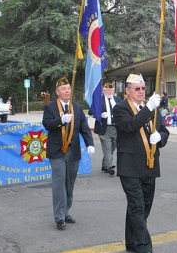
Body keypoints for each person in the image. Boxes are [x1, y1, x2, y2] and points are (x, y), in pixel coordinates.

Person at [112, 73, 169, 253]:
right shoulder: (120, 109)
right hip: (129, 166)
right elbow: (130, 126)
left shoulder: (150, 107)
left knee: (144, 206)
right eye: (137, 88)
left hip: (150, 164)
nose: (141, 92)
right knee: (136, 206)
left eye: (143, 88)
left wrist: (160, 137)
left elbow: (164, 130)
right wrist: (149, 109)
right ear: (127, 91)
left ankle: (132, 241)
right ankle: (144, 249)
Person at [42, 77, 95, 230]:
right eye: (64, 89)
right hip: (57, 151)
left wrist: (90, 144)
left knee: (69, 183)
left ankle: (66, 212)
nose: (67, 91)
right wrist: (60, 120)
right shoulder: (50, 107)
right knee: (59, 183)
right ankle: (59, 217)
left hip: (73, 152)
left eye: (69, 89)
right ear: (57, 92)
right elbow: (47, 124)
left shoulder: (77, 108)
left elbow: (84, 129)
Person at [90, 82, 121, 176]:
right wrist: (99, 115)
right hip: (104, 127)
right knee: (107, 147)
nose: (109, 91)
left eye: (111, 90)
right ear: (104, 90)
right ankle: (110, 166)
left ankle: (105, 165)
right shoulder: (99, 100)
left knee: (113, 147)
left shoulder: (118, 100)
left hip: (116, 128)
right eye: (107, 90)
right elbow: (91, 111)